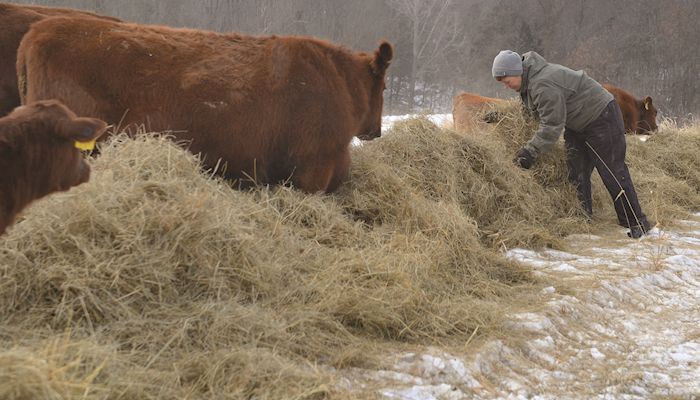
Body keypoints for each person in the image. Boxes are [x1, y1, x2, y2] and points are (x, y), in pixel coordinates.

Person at [492, 50, 651, 238]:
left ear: (517, 70)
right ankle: (582, 218)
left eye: (506, 80)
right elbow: (531, 111)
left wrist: (530, 152)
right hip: (577, 123)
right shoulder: (528, 82)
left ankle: (636, 222)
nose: (506, 86)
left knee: (612, 172)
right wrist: (502, 117)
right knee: (576, 171)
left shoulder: (543, 84)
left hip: (601, 116)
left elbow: (551, 125)